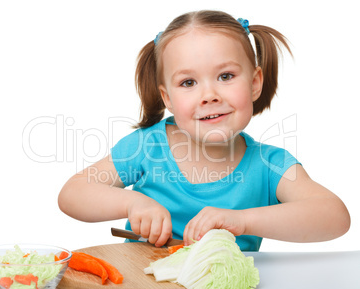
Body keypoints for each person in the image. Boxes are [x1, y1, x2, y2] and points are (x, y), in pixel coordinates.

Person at [58, 10, 350, 251]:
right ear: (167, 98)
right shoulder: (147, 147)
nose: (209, 94)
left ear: (255, 83)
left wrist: (244, 221)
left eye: (226, 76)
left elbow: (334, 217)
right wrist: (133, 202)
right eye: (188, 83)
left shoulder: (269, 164)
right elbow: (72, 194)